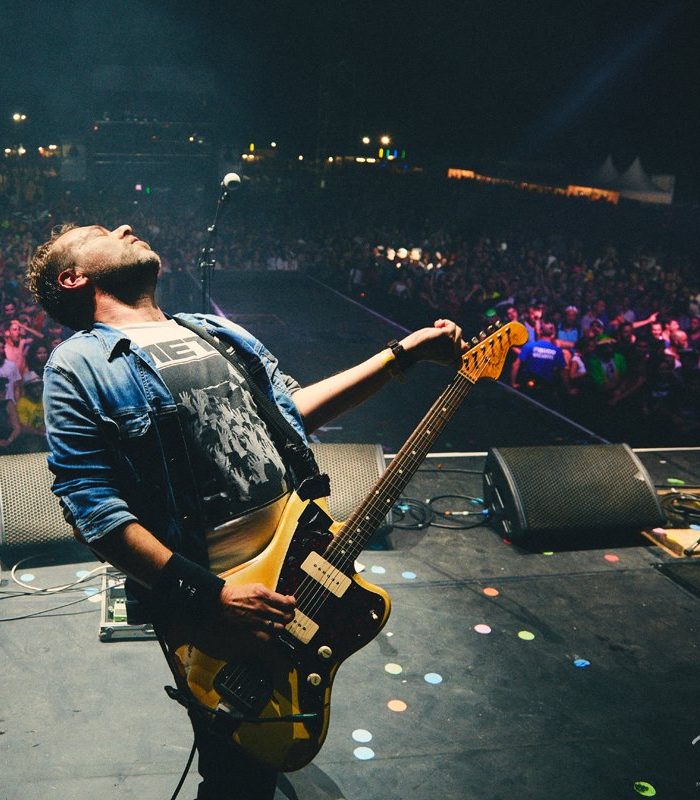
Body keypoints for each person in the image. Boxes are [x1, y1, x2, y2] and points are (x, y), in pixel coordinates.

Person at [28, 222, 465, 799]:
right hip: (214, 599)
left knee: (267, 741)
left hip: (295, 567)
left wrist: (403, 353)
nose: (126, 228)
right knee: (235, 771)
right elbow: (93, 510)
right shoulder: (77, 365)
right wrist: (211, 596)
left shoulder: (213, 331)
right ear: (74, 277)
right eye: (101, 231)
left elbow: (292, 410)